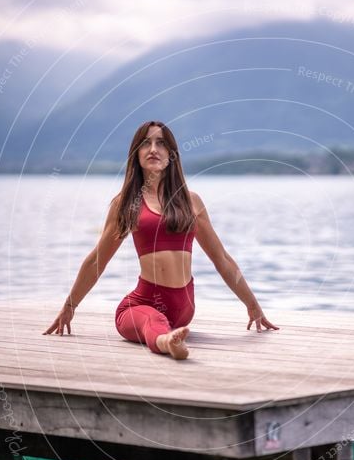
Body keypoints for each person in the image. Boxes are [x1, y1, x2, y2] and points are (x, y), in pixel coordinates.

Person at [43, 120, 279, 359]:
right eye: (146, 143)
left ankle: (168, 336)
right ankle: (167, 343)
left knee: (162, 319)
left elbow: (222, 259)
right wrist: (70, 306)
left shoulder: (191, 201)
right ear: (136, 154)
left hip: (183, 308)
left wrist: (252, 305)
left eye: (161, 143)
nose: (153, 149)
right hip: (140, 305)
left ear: (171, 154)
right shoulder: (126, 203)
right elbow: (97, 260)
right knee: (153, 319)